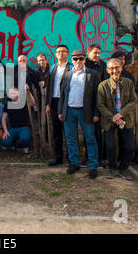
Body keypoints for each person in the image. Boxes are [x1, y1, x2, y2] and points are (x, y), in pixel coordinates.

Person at [58, 50, 101, 179]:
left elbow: (97, 96)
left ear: (85, 60)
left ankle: (93, 166)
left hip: (85, 111)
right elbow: (62, 95)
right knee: (71, 139)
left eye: (81, 59)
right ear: (72, 60)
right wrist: (61, 111)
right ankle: (74, 163)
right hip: (69, 110)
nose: (78, 61)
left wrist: (96, 113)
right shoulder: (67, 75)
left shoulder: (92, 75)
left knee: (90, 138)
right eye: (76, 59)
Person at [97, 58, 137, 181]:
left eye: (117, 67)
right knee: (110, 146)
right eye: (112, 68)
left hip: (126, 120)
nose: (115, 70)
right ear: (108, 70)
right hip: (109, 121)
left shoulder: (128, 83)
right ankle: (112, 167)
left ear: (121, 68)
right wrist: (113, 117)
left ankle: (124, 168)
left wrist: (120, 115)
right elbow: (100, 105)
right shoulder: (103, 86)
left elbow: (134, 101)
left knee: (129, 146)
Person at [46, 45, 73, 166]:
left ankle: (71, 158)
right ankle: (58, 158)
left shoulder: (71, 67)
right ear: (56, 54)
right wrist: (48, 104)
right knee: (56, 132)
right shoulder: (53, 68)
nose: (61, 53)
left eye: (63, 51)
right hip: (55, 102)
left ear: (67, 54)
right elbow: (49, 87)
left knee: (69, 132)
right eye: (58, 52)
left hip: (66, 103)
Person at [83, 44, 109, 168]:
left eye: (99, 53)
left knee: (97, 132)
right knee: (86, 133)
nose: (97, 55)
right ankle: (88, 157)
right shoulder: (84, 64)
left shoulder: (103, 65)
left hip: (98, 102)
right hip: (84, 103)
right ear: (88, 53)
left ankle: (98, 158)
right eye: (95, 53)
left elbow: (105, 84)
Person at [1, 87, 35, 156]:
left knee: (24, 138)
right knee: (5, 142)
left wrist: (28, 91)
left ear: (18, 93)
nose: (13, 95)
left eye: (14, 93)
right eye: (11, 94)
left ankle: (25, 149)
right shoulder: (7, 104)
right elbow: (3, 119)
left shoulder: (23, 101)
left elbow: (33, 103)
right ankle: (14, 143)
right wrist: (5, 131)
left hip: (24, 127)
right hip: (13, 128)